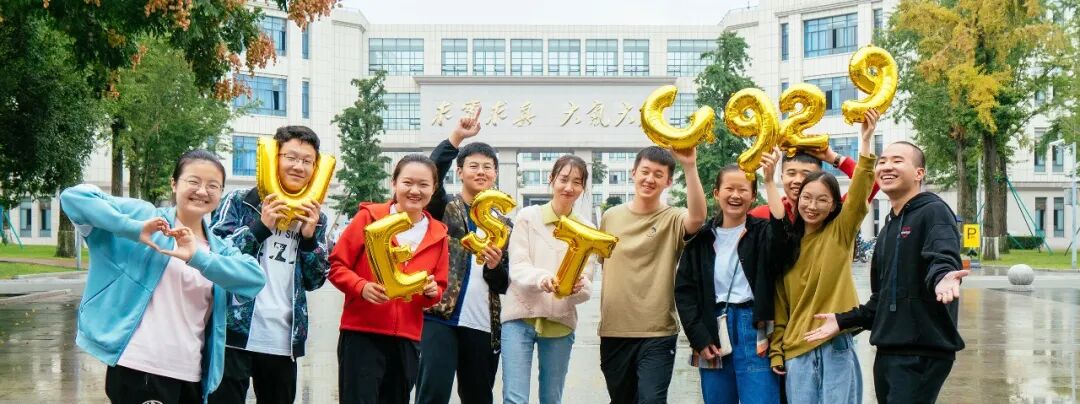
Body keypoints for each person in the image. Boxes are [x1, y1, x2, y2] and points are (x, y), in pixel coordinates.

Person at [60, 150, 266, 404]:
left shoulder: (219, 248)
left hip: (192, 374)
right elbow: (74, 198)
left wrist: (198, 257)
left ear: (221, 193)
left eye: (213, 186)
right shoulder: (145, 217)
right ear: (174, 183)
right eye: (193, 181)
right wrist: (134, 229)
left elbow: (254, 280)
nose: (202, 191)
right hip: (141, 367)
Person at [803, 141, 969, 403]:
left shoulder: (934, 211)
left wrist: (943, 277)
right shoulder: (889, 228)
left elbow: (942, 255)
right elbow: (880, 301)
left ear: (919, 173)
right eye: (882, 161)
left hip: (921, 352)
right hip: (889, 350)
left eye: (897, 160)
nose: (887, 166)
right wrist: (842, 321)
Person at [208, 126, 330, 404]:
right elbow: (215, 258)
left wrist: (309, 239)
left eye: (307, 161)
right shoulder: (240, 202)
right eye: (291, 157)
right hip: (232, 334)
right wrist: (260, 227)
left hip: (283, 340)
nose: (298, 166)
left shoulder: (315, 217)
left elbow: (316, 280)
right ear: (274, 158)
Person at [768, 110, 879, 404]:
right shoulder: (784, 245)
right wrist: (777, 350)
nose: (812, 206)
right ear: (795, 198)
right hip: (796, 350)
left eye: (822, 200)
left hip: (835, 344)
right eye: (806, 198)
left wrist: (864, 141)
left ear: (833, 206)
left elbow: (861, 190)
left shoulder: (839, 233)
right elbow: (781, 305)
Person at [328, 155, 449, 404]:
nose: (415, 190)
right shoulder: (369, 218)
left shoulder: (438, 234)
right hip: (362, 333)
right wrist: (361, 287)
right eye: (408, 182)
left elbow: (439, 286)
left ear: (434, 189)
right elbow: (337, 266)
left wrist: (431, 292)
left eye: (423, 184)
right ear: (394, 183)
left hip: (407, 338)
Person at [415, 107, 510, 404]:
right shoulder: (443, 207)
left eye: (487, 167)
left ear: (495, 174)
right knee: (433, 394)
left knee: (479, 396)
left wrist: (495, 265)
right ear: (460, 172)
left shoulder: (504, 224)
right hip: (440, 317)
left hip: (482, 323)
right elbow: (431, 171)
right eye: (474, 166)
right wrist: (456, 137)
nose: (481, 172)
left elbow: (504, 283)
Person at [598, 146, 707, 403]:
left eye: (658, 175)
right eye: (645, 172)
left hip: (658, 331)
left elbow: (698, 218)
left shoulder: (673, 217)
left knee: (651, 400)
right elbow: (604, 265)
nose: (650, 179)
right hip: (615, 330)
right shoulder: (610, 217)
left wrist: (690, 166)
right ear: (633, 173)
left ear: (668, 182)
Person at [674, 164, 786, 404]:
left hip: (753, 325)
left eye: (743, 190)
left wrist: (769, 181)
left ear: (753, 196)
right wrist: (699, 337)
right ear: (716, 193)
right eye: (729, 189)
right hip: (711, 327)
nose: (736, 195)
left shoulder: (762, 232)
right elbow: (685, 292)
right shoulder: (701, 238)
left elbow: (782, 239)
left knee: (761, 398)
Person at [502, 155, 597, 404]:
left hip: (560, 322)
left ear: (583, 187)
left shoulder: (588, 230)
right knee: (514, 399)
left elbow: (587, 284)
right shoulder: (527, 217)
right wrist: (542, 278)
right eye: (563, 179)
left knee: (551, 399)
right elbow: (517, 266)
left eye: (577, 182)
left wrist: (578, 287)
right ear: (551, 179)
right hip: (519, 318)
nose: (569, 187)